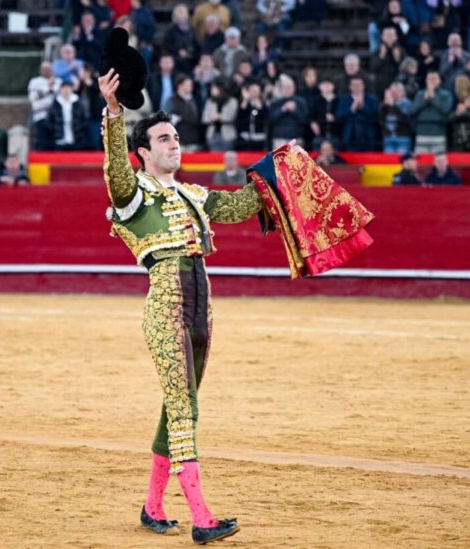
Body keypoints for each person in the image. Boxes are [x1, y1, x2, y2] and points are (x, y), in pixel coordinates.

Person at [99, 67, 262, 545]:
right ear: (144, 153)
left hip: (201, 304)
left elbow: (239, 206)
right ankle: (202, 517)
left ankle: (152, 506)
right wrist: (114, 111)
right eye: (164, 139)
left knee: (179, 405)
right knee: (183, 406)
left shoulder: (193, 194)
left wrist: (279, 170)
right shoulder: (132, 195)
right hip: (166, 303)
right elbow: (114, 167)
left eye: (176, 137)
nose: (175, 144)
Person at [410, 71, 453, 153]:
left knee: (438, 159)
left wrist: (433, 97)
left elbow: (446, 109)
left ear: (440, 81)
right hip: (421, 133)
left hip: (438, 133)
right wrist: (424, 99)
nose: (432, 81)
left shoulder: (446, 95)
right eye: (429, 79)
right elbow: (412, 110)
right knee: (421, 159)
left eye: (434, 78)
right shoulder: (420, 94)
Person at [336, 76, 379, 152]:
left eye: (359, 85)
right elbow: (339, 115)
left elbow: (375, 115)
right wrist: (352, 109)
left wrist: (363, 107)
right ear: (350, 87)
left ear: (363, 86)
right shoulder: (344, 99)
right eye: (354, 85)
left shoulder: (372, 99)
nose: (357, 87)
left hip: (367, 136)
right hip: (350, 137)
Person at [47, 80, 90, 151]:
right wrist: (55, 133)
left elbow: (84, 119)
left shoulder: (78, 103)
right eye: (64, 88)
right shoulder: (55, 104)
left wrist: (80, 132)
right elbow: (49, 121)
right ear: (60, 89)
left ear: (71, 89)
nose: (66, 90)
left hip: (76, 140)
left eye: (68, 88)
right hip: (59, 141)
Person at [268, 73, 308, 149]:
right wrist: (283, 109)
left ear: (294, 88)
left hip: (296, 138)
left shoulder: (301, 102)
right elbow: (271, 119)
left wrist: (294, 111)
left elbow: (304, 120)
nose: (287, 90)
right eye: (285, 87)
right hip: (279, 138)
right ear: (281, 89)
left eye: (289, 87)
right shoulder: (275, 103)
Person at [28, 61, 61, 151]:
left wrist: (45, 92)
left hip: (56, 118)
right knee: (42, 143)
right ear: (40, 70)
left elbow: (59, 96)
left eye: (49, 69)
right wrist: (48, 88)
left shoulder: (58, 81)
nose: (47, 71)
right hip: (41, 116)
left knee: (54, 144)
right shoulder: (34, 82)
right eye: (45, 69)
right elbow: (33, 98)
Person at [165, 74, 203, 151]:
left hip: (193, 141)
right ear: (180, 86)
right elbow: (169, 119)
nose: (191, 87)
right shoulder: (172, 101)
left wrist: (182, 117)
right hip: (179, 142)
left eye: (191, 85)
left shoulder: (194, 100)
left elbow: (196, 118)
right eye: (188, 85)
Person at [201, 78, 238, 151]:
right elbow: (204, 118)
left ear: (220, 89)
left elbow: (231, 117)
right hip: (212, 136)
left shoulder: (232, 101)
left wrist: (219, 117)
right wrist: (211, 118)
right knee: (214, 157)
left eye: (213, 88)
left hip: (228, 136)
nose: (211, 90)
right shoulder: (210, 101)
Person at [380, 83, 413, 153]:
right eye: (392, 92)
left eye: (397, 92)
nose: (394, 94)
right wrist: (385, 106)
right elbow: (381, 120)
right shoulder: (386, 105)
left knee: (401, 158)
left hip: (402, 137)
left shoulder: (407, 104)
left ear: (402, 92)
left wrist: (393, 106)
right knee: (388, 159)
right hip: (388, 137)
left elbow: (405, 119)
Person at [235, 79, 268, 150]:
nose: (254, 93)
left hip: (259, 138)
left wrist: (259, 106)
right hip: (245, 137)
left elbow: (264, 116)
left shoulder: (263, 103)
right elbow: (240, 115)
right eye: (252, 90)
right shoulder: (243, 102)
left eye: (256, 91)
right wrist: (245, 100)